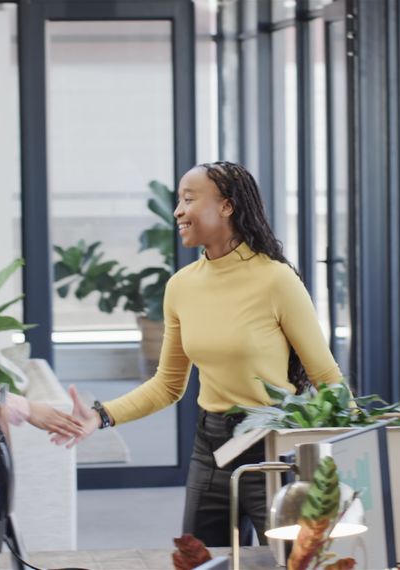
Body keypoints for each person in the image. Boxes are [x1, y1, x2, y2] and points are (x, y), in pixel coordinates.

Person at [53, 161, 345, 547]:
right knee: (201, 560)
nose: (177, 211)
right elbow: (167, 386)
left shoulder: (276, 280)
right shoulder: (181, 287)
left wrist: (354, 459)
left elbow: (326, 376)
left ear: (226, 206)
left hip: (271, 447)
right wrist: (100, 415)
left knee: (293, 560)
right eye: (178, 200)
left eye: (188, 199)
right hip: (210, 449)